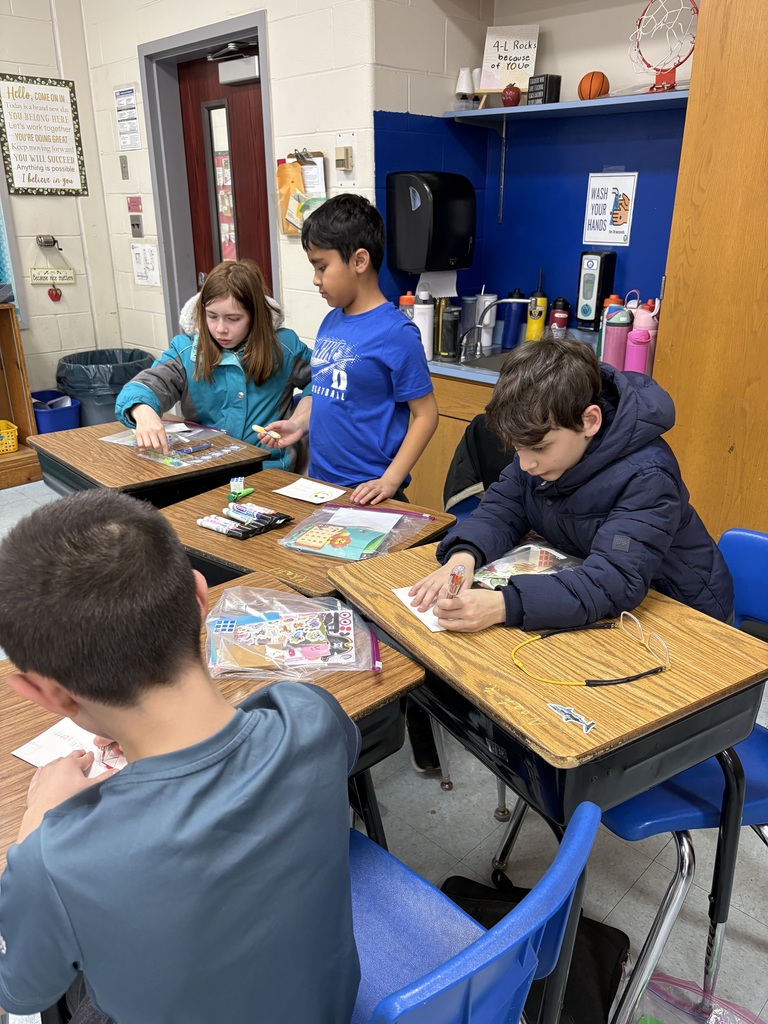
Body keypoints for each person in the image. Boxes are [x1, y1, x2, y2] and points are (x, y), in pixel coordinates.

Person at [0, 490, 361, 1024]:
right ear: (200, 596)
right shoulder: (308, 715)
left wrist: (36, 824)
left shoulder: (52, 861)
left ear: (43, 692)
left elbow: (22, 993)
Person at [409, 335, 733, 632]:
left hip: (682, 615)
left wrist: (503, 604)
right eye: (517, 448)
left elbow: (614, 581)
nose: (525, 464)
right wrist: (463, 559)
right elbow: (502, 508)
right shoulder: (542, 444)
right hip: (605, 598)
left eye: (538, 448)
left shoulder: (647, 476)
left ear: (589, 420)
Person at [258, 193, 439, 504]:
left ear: (359, 261)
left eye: (321, 267)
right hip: (320, 484)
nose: (315, 280)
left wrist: (390, 480)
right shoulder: (331, 320)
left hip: (368, 494)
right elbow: (332, 390)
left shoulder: (396, 333)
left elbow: (426, 415)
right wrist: (300, 424)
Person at [115, 259, 312, 471]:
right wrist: (143, 412)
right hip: (209, 470)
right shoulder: (186, 351)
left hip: (271, 470)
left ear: (255, 317)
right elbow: (144, 385)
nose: (220, 329)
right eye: (212, 316)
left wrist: (302, 414)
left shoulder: (284, 347)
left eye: (233, 319)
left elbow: (325, 381)